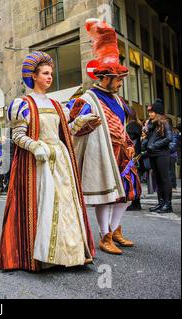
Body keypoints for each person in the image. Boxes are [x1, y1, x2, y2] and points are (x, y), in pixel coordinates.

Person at [0, 51, 96, 272]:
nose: (50, 77)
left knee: (67, 205)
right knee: (45, 204)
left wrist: (79, 123)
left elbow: (64, 133)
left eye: (51, 73)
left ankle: (70, 253)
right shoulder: (23, 103)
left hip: (60, 160)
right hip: (38, 162)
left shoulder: (57, 104)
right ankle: (44, 256)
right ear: (34, 76)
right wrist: (35, 146)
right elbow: (18, 136)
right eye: (45, 73)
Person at [70, 19, 141, 255]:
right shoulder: (88, 98)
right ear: (106, 77)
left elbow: (122, 124)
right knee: (106, 197)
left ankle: (116, 229)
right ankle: (105, 235)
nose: (120, 83)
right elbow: (72, 125)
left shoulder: (119, 100)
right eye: (117, 79)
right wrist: (84, 123)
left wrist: (129, 144)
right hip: (101, 152)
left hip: (122, 152)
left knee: (129, 193)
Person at [142, 99, 173, 213]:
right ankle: (161, 203)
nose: (150, 114)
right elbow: (149, 138)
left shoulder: (165, 122)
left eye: (152, 112)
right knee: (158, 180)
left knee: (164, 179)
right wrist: (146, 127)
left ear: (158, 112)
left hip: (162, 154)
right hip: (153, 154)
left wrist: (154, 146)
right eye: (149, 112)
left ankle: (167, 204)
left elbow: (169, 138)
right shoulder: (152, 123)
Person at [125, 109, 143, 211]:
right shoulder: (138, 124)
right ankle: (136, 202)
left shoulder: (131, 125)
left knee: (134, 179)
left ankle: (136, 203)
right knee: (136, 179)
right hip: (137, 154)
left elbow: (129, 139)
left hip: (133, 155)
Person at [169, 119, 181, 190]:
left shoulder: (174, 133)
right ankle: (173, 185)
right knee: (171, 170)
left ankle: (173, 186)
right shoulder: (173, 132)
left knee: (171, 171)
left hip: (172, 155)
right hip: (172, 154)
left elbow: (173, 146)